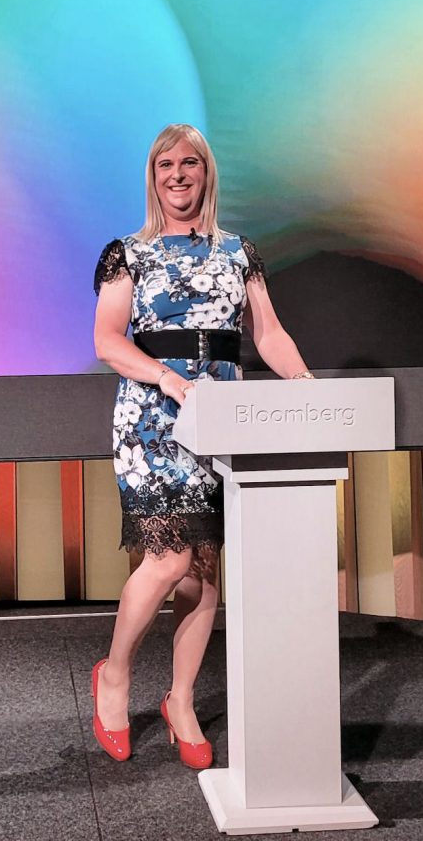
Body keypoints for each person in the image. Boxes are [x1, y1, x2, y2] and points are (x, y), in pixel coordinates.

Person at [92, 123, 312, 767]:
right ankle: (115, 674)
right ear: (153, 175)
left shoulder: (240, 251)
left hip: (225, 417)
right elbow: (109, 340)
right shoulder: (128, 252)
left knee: (202, 574)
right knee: (166, 560)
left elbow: (268, 335)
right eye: (166, 165)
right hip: (152, 420)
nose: (179, 175)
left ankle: (181, 698)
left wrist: (304, 386)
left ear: (207, 174)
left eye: (191, 163)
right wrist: (166, 377)